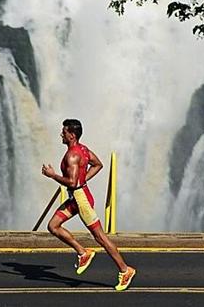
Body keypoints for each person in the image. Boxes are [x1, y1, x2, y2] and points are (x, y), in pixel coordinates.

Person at [41, 119, 136, 291]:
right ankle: (83, 252)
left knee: (101, 238)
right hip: (78, 197)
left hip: (81, 201)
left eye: (64, 131)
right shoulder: (83, 150)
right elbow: (98, 164)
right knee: (53, 226)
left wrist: (52, 175)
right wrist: (83, 180)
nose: (61, 134)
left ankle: (125, 270)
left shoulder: (72, 156)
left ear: (72, 135)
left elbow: (71, 182)